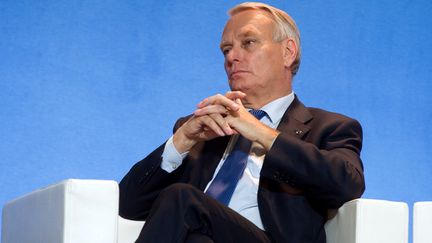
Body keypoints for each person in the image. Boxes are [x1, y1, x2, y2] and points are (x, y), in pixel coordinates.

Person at [119, 2, 365, 243]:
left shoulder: (330, 127)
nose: (232, 57)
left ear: (288, 52)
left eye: (248, 43)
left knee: (183, 198)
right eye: (226, 49)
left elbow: (347, 185)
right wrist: (182, 140)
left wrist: (260, 132)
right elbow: (126, 206)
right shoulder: (206, 130)